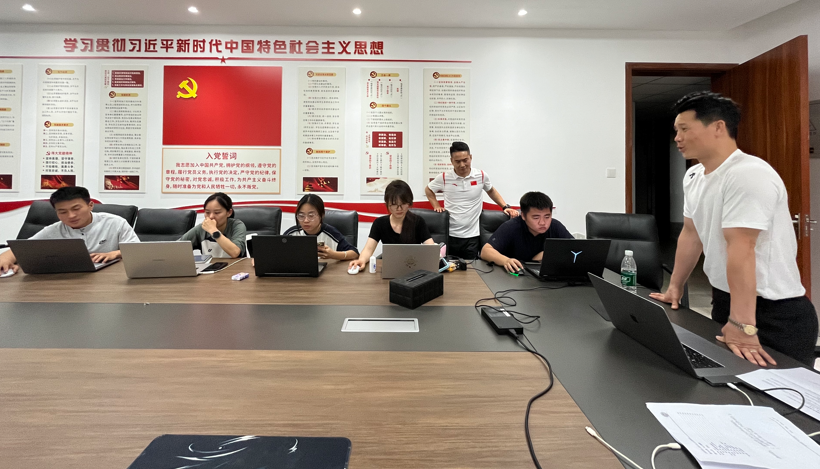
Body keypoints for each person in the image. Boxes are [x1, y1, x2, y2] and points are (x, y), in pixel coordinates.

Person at [650, 91, 818, 367]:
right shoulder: (694, 175)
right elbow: (691, 235)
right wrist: (675, 288)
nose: (677, 138)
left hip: (771, 312)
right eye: (676, 131)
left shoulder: (748, 173)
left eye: (685, 129)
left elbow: (742, 248)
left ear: (718, 127)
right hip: (725, 299)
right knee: (726, 382)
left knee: (777, 391)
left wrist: (743, 324)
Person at [0, 186, 139, 274]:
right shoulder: (53, 230)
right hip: (68, 280)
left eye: (76, 209)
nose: (71, 216)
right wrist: (4, 260)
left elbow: (138, 251)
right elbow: (21, 249)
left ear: (90, 205)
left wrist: (115, 253)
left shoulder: (115, 223)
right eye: (62, 212)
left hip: (108, 279)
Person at [425, 141, 519, 259]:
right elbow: (429, 190)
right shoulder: (444, 178)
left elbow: (491, 191)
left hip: (473, 236)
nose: (462, 165)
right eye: (457, 161)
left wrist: (505, 206)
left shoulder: (481, 175)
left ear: (470, 157)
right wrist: (436, 205)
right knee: (450, 266)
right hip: (450, 234)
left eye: (465, 160)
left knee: (471, 267)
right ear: (451, 161)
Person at [348, 180, 436, 271]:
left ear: (409, 203)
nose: (399, 209)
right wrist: (361, 260)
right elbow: (368, 249)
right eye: (394, 204)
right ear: (387, 204)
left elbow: (431, 247)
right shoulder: (380, 223)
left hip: (413, 268)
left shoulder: (418, 222)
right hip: (390, 269)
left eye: (403, 204)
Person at [480, 191, 572, 273]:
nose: (542, 222)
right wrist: (506, 261)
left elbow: (575, 249)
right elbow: (485, 251)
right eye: (536, 217)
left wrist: (547, 254)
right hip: (515, 276)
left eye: (547, 217)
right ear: (523, 216)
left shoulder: (555, 226)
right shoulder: (511, 227)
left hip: (544, 276)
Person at [283, 194, 359, 261]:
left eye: (311, 216)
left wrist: (333, 255)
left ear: (321, 215)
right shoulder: (292, 234)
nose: (306, 220)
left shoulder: (331, 233)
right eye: (301, 216)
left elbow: (355, 253)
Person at [179, 192, 246, 258]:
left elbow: (235, 252)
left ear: (229, 212)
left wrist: (213, 231)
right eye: (207, 212)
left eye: (217, 212)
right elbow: (176, 247)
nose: (211, 216)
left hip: (236, 265)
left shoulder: (237, 225)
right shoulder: (202, 228)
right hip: (210, 265)